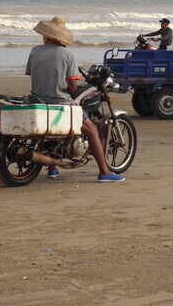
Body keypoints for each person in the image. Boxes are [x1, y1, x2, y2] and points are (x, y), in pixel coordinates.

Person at [24, 16, 125, 182]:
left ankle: (53, 168)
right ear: (61, 38)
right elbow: (72, 87)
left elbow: (33, 76)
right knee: (91, 129)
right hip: (59, 102)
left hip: (37, 100)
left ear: (47, 36)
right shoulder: (67, 55)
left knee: (51, 131)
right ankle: (104, 172)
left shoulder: (34, 51)